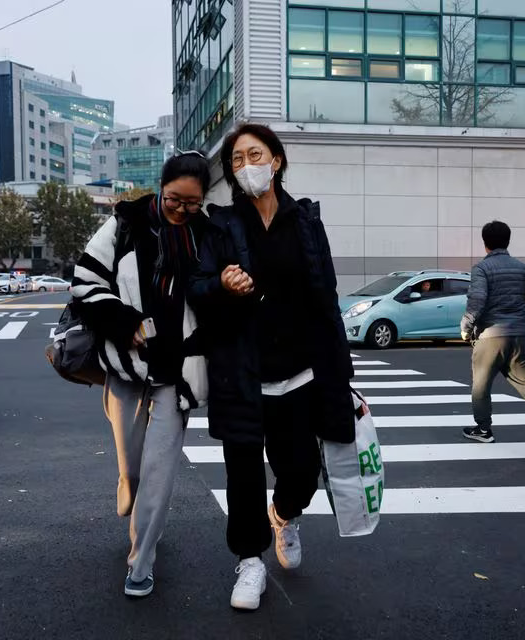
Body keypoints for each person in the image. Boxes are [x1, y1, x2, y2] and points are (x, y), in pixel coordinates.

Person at [187, 124, 355, 611]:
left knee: (301, 471)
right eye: (236, 161)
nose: (245, 166)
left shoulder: (305, 221)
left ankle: (284, 515)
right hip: (242, 371)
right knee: (242, 474)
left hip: (301, 370)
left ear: (276, 160)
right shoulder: (220, 225)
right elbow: (198, 289)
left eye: (253, 155)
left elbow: (327, 298)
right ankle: (249, 561)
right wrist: (221, 281)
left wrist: (339, 369)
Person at [70, 152, 210, 598]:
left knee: (159, 472)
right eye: (174, 200)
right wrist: (125, 321)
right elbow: (85, 281)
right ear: (161, 187)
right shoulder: (126, 224)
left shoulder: (206, 235)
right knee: (133, 465)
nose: (182, 211)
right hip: (127, 368)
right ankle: (126, 483)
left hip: (178, 372)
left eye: (192, 204)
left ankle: (141, 559)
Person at [460, 221, 525, 459]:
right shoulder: (521, 269)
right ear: (508, 241)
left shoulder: (481, 269)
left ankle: (483, 429)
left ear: (485, 243)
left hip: (491, 336)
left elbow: (477, 300)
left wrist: (466, 326)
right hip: (518, 334)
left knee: (481, 386)